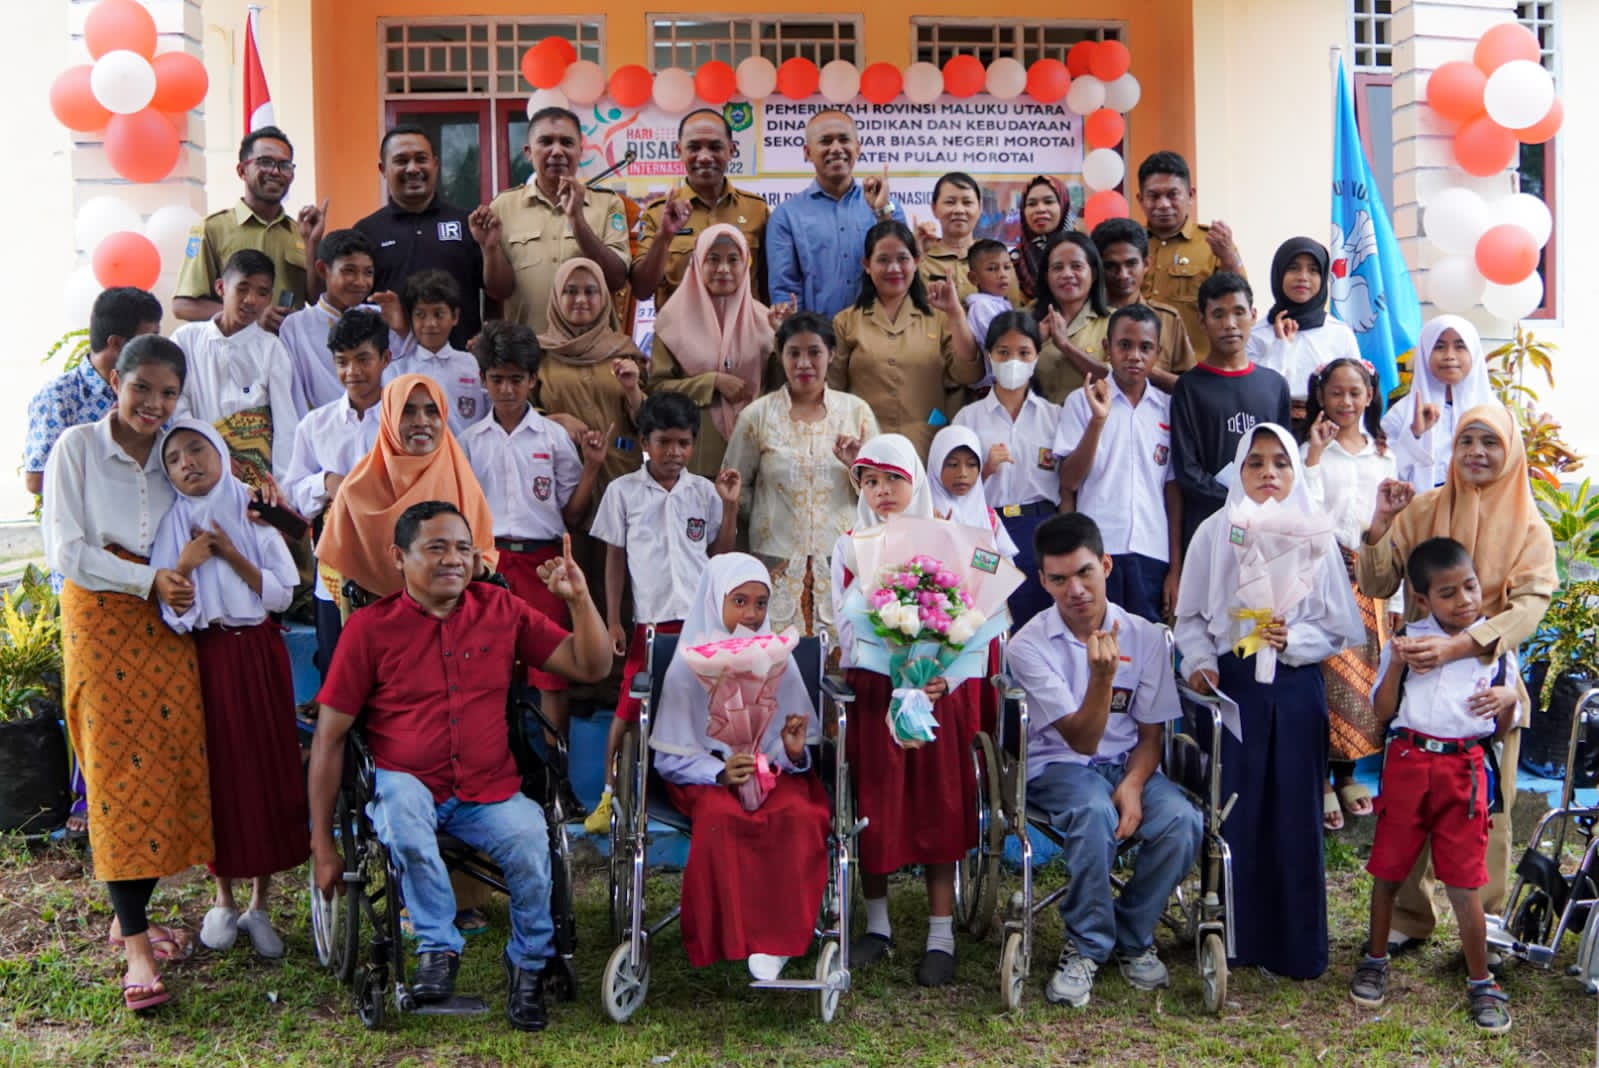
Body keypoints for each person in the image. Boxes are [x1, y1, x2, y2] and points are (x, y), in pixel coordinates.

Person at [309, 502, 612, 1031]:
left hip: (487, 788)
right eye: (437, 548)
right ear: (399, 557)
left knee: (531, 842)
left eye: (463, 548)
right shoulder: (370, 630)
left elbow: (591, 665)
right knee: (400, 812)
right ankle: (438, 948)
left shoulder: (502, 610)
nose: (453, 559)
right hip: (407, 780)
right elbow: (330, 738)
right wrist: (323, 845)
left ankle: (529, 964)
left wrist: (580, 600)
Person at [42, 335, 211, 1012]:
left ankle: (127, 918)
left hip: (166, 619)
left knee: (164, 764)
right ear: (115, 379)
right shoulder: (77, 447)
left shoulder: (178, 451)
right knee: (115, 775)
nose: (154, 404)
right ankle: (138, 951)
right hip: (101, 615)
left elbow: (210, 508)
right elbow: (67, 550)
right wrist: (147, 579)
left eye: (168, 393)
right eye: (142, 387)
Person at [1356, 405, 1557, 959]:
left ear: (1510, 452)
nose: (1477, 452)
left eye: (1490, 442)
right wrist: (1380, 525)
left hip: (1489, 685)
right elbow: (1376, 581)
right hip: (1419, 678)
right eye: (1467, 440)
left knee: (1488, 808)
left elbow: (1529, 608)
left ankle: (1484, 922)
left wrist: (1463, 647)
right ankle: (1408, 917)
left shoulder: (1530, 526)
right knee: (1410, 803)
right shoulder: (1424, 509)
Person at [1175, 424, 1364, 979]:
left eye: (1280, 462)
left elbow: (1336, 627)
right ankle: (1235, 937)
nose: (1268, 473)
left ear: (1295, 471)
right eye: (1255, 462)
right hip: (1234, 686)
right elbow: (1191, 618)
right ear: (1239, 470)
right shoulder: (1215, 531)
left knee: (1294, 810)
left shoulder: (1315, 532)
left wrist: (1292, 638)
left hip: (1295, 687)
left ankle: (1295, 944)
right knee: (1238, 807)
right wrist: (1201, 663)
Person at [1010, 513, 1202, 1008]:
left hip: (1126, 762)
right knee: (1094, 812)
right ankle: (1087, 944)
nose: (1075, 590)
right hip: (1060, 767)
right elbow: (1081, 740)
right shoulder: (1028, 645)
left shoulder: (1145, 636)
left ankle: (1133, 933)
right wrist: (1102, 678)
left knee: (1183, 821)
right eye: (1059, 579)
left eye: (1084, 573)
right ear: (1043, 581)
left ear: (1107, 566)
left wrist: (1134, 783)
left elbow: (1151, 733)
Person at [831, 433, 982, 988]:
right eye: (870, 480)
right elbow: (843, 621)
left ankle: (941, 934)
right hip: (876, 692)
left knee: (938, 803)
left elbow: (974, 619)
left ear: (915, 480)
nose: (882, 490)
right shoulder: (850, 545)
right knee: (876, 804)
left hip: (936, 692)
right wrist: (886, 650)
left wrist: (941, 672)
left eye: (893, 479)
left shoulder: (950, 537)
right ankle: (878, 926)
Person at [152, 419, 307, 959]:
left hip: (257, 653)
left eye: (197, 449)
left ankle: (259, 904)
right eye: (174, 459)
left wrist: (227, 552)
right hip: (207, 659)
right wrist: (186, 563)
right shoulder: (173, 520)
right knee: (218, 774)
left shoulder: (253, 509)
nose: (187, 463)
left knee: (264, 768)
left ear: (219, 451)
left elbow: (282, 594)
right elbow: (172, 613)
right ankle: (221, 898)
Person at [1350, 536, 1517, 1033]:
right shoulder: (1407, 640)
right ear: (1422, 599)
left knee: (1464, 882)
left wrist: (1507, 700)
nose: (1464, 600)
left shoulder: (1495, 645)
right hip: (1408, 763)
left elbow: (1500, 729)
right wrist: (1398, 663)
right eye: (1448, 593)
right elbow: (1383, 713)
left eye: (1470, 586)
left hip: (1464, 771)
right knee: (1389, 870)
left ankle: (1481, 981)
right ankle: (1375, 959)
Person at [650, 553, 828, 980]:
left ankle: (780, 939)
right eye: (740, 601)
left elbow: (794, 749)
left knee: (797, 815)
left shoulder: (777, 659)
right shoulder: (688, 664)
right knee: (721, 818)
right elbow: (672, 755)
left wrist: (791, 751)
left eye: (761, 603)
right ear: (716, 601)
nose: (751, 614)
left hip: (771, 772)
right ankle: (729, 936)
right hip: (704, 776)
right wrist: (719, 772)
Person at [586, 392, 741, 834]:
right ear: (644, 442)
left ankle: (709, 783)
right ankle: (608, 793)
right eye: (664, 442)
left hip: (700, 624)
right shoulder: (623, 492)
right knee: (627, 707)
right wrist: (613, 620)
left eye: (684, 443)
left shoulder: (705, 492)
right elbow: (615, 561)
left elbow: (721, 555)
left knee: (706, 706)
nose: (674, 452)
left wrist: (730, 506)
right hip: (650, 625)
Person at [460, 320, 607, 740]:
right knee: (489, 666)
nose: (507, 389)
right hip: (490, 564)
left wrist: (592, 468)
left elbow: (574, 514)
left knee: (551, 674)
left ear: (533, 379)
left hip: (545, 564)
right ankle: (497, 758)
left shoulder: (554, 438)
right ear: (483, 379)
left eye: (516, 379)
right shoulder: (469, 442)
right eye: (497, 379)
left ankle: (554, 768)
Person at [722, 312, 879, 636]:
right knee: (776, 657)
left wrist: (858, 468)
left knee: (840, 655)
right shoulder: (756, 416)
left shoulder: (856, 412)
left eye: (814, 352)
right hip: (774, 561)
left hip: (842, 560)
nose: (803, 363)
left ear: (831, 355)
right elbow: (736, 487)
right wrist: (767, 518)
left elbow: (884, 492)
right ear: (780, 356)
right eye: (793, 353)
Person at [1301, 357, 1395, 829]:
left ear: (1370, 395)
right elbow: (1306, 511)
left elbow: (1392, 522)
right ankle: (1319, 777)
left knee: (1362, 680)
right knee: (1327, 678)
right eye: (1336, 392)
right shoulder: (1310, 450)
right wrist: (1315, 455)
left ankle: (1348, 772)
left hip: (1371, 576)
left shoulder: (1383, 453)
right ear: (1320, 396)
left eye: (1355, 392)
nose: (1345, 401)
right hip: (1324, 575)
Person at [316, 374, 496, 607]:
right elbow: (341, 571)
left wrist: (478, 571)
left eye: (432, 411)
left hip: (455, 619)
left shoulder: (463, 484)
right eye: (407, 411)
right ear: (389, 416)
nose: (421, 421)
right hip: (382, 621)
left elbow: (485, 559)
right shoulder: (355, 492)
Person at [1055, 305, 1181, 624]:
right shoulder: (1081, 402)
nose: (1134, 356)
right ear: (1107, 348)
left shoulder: (1167, 408)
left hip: (1153, 552)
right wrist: (1097, 422)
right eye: (1124, 345)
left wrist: (1176, 569)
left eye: (1145, 347)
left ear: (1158, 353)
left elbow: (1172, 492)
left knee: (1147, 645)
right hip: (1097, 551)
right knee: (1096, 643)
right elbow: (1068, 481)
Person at [283, 309, 389, 672]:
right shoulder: (316, 425)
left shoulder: (404, 421)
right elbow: (294, 492)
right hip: (334, 571)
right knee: (339, 667)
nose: (352, 371)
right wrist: (326, 482)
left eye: (363, 359)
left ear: (385, 358)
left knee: (390, 669)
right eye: (342, 362)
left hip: (390, 566)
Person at [828, 221, 983, 460]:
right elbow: (833, 394)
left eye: (902, 259)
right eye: (882, 260)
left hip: (927, 448)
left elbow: (969, 374)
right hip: (866, 451)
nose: (893, 268)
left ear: (916, 261)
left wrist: (955, 313)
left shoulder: (940, 318)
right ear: (867, 265)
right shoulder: (846, 322)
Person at [650, 224, 787, 477]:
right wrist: (711, 382)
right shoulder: (672, 321)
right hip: (695, 457)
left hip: (755, 454)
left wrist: (783, 339)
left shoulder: (765, 321)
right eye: (713, 259)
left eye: (733, 260)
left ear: (746, 265)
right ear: (698, 262)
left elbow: (780, 389)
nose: (723, 268)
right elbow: (657, 390)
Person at [1169, 273, 1291, 547]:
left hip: (1265, 526)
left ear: (1253, 315)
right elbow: (1187, 469)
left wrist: (1261, 499)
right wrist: (1238, 499)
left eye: (1238, 312)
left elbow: (1285, 459)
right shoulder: (1189, 387)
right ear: (1202, 321)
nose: (1230, 324)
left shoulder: (1274, 385)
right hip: (1208, 527)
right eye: (1218, 315)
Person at [952, 311, 1058, 625]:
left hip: (1040, 529)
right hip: (986, 530)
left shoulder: (1054, 416)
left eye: (1024, 353)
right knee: (989, 615)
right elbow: (950, 487)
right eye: (1003, 352)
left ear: (1036, 357)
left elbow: (1069, 484)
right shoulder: (969, 418)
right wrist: (985, 470)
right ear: (989, 356)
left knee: (1039, 616)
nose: (1013, 361)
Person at [485, 107, 630, 334]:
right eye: (546, 142)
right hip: (528, 347)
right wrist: (489, 248)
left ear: (580, 151)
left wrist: (577, 220)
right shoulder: (502, 207)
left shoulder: (608, 204)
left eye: (566, 143)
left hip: (591, 348)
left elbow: (617, 279)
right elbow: (498, 292)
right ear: (528, 152)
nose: (557, 151)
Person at [355, 125, 497, 349]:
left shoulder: (467, 224)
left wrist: (488, 334)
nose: (413, 168)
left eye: (421, 159)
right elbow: (349, 300)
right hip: (391, 361)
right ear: (383, 169)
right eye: (401, 161)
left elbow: (497, 291)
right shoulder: (366, 232)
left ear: (435, 164)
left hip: (459, 359)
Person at [174, 125, 327, 327]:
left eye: (284, 165)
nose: (275, 172)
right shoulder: (212, 229)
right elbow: (183, 306)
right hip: (233, 344)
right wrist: (252, 316)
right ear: (242, 171)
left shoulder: (301, 232)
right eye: (265, 162)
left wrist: (313, 244)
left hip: (287, 344)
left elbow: (316, 299)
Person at [171, 249, 301, 484]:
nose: (251, 300)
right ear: (221, 287)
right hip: (198, 469)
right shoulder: (185, 340)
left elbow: (285, 424)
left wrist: (283, 486)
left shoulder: (271, 349)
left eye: (262, 293)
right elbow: (177, 405)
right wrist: (212, 452)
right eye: (242, 288)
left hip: (256, 478)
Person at [24, 286, 162, 499]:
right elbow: (36, 479)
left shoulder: (154, 389)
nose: (155, 349)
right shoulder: (59, 396)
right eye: (148, 340)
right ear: (116, 343)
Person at [767, 110, 905, 320]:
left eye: (844, 140)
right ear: (807, 152)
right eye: (825, 141)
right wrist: (803, 335)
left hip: (880, 332)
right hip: (817, 335)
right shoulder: (786, 216)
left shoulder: (886, 206)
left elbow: (903, 269)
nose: (836, 148)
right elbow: (785, 291)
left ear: (857, 148)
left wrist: (881, 213)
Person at [630, 109, 770, 308]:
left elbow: (768, 286)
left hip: (742, 327)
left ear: (731, 150)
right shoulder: (658, 213)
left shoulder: (756, 210)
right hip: (680, 328)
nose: (704, 157)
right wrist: (664, 237)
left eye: (715, 147)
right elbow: (642, 290)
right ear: (679, 151)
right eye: (694, 147)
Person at [536, 258, 650, 489]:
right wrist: (555, 422)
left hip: (619, 477)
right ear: (556, 296)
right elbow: (518, 418)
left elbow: (648, 424)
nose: (581, 299)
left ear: (604, 298)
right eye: (570, 291)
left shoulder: (626, 351)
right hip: (559, 477)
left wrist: (632, 390)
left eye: (590, 291)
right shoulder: (538, 354)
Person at [1136, 151, 1245, 361]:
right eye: (1154, 196)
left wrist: (1228, 257)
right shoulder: (1129, 246)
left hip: (1196, 369)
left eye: (1172, 194)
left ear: (1191, 195)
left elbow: (1239, 303)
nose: (1163, 204)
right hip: (1137, 368)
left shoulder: (1213, 245)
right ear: (1141, 200)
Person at [1246, 237, 1360, 429]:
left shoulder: (1340, 333)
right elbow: (1256, 391)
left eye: (1313, 270)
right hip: (1269, 428)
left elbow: (1356, 392)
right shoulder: (1257, 334)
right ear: (1279, 273)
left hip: (1327, 430)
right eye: (1293, 268)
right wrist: (1280, 346)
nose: (1303, 277)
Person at [1380, 315, 1494, 492]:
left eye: (1460, 346)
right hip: (1419, 506)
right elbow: (1382, 469)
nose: (1449, 356)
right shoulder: (1401, 414)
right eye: (1439, 347)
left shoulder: (1494, 412)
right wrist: (1414, 435)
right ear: (1425, 353)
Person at [277, 228, 381, 415]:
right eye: (349, 271)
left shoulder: (379, 318)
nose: (360, 282)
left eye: (368, 272)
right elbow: (294, 393)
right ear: (322, 269)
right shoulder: (296, 326)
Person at [1089, 218, 1194, 392]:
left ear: (1146, 264)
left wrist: (1144, 370)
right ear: (1097, 268)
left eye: (1131, 264)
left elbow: (1190, 387)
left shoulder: (1168, 320)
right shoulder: (1084, 319)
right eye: (1111, 266)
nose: (1123, 275)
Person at [387, 269, 487, 433]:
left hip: (465, 449)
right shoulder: (397, 370)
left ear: (455, 316)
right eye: (421, 315)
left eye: (439, 314)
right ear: (410, 318)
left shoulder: (472, 364)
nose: (430, 323)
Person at [1033, 232, 1112, 403]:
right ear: (1046, 276)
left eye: (1076, 266)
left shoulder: (1115, 322)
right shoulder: (1026, 318)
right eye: (1057, 267)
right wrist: (1032, 342)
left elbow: (1118, 380)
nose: (1067, 274)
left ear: (1094, 274)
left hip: (1092, 417)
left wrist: (1065, 345)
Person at [916, 172, 984, 302]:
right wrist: (916, 254)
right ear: (934, 208)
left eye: (967, 202)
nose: (959, 210)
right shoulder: (922, 258)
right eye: (950, 202)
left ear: (980, 208)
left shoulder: (993, 257)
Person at [1009, 175, 1074, 304]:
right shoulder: (1013, 262)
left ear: (1063, 205)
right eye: (1032, 204)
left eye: (1048, 202)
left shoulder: (1085, 253)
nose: (1040, 209)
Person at [964, 239, 1017, 358]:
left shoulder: (1001, 302)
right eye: (992, 269)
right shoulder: (982, 306)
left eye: (1007, 267)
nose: (1002, 274)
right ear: (973, 278)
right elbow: (1004, 342)